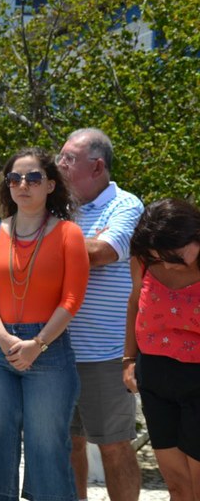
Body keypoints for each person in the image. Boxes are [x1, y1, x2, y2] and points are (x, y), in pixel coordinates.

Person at [0, 147, 89, 500]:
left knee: (47, 449)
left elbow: (71, 300)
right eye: (15, 178)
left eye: (34, 178)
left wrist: (36, 344)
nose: (24, 185)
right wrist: (5, 338)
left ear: (51, 185)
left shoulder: (69, 234)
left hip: (48, 350)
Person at [57, 128, 143, 501]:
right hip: (56, 350)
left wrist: (57, 245)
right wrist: (82, 244)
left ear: (96, 166)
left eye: (68, 158)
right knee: (68, 447)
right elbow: (86, 249)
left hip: (106, 355)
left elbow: (103, 252)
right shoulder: (59, 207)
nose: (58, 164)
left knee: (114, 446)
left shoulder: (126, 206)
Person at [124, 198, 200, 501]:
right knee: (177, 487)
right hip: (155, 376)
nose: (167, 264)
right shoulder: (145, 259)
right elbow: (134, 303)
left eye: (175, 255)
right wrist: (128, 360)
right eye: (159, 257)